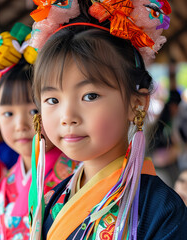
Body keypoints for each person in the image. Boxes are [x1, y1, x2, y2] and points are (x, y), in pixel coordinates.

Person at [28, 0, 187, 239]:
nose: (67, 116)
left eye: (89, 96)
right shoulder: (53, 198)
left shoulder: (161, 210)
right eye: (52, 100)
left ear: (137, 104)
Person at [0, 23, 77, 240]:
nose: (21, 125)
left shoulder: (77, 175)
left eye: (33, 110)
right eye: (8, 114)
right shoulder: (4, 185)